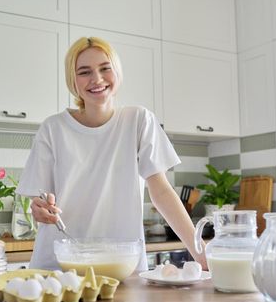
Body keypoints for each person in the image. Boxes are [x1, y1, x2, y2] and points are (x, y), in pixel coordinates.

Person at [16, 36, 207, 272]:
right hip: (58, 268)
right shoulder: (53, 128)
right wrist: (40, 209)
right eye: (84, 72)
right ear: (72, 80)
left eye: (105, 68)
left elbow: (162, 191)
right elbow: (39, 201)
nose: (97, 79)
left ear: (117, 72)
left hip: (121, 268)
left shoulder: (138, 121)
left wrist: (201, 255)